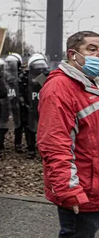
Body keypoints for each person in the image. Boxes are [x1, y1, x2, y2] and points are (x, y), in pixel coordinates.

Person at [37, 31, 99, 237]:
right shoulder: (59, 88)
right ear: (73, 54)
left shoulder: (91, 83)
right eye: (92, 49)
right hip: (82, 191)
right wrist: (69, 191)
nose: (98, 55)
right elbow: (54, 144)